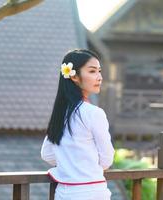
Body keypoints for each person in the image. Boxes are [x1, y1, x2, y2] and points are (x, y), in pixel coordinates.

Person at [41, 49, 115, 200]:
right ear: (74, 76)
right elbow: (107, 159)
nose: (99, 77)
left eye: (99, 71)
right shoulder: (94, 113)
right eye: (92, 71)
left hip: (64, 192)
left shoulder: (60, 113)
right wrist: (85, 166)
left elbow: (47, 154)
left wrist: (70, 164)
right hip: (93, 191)